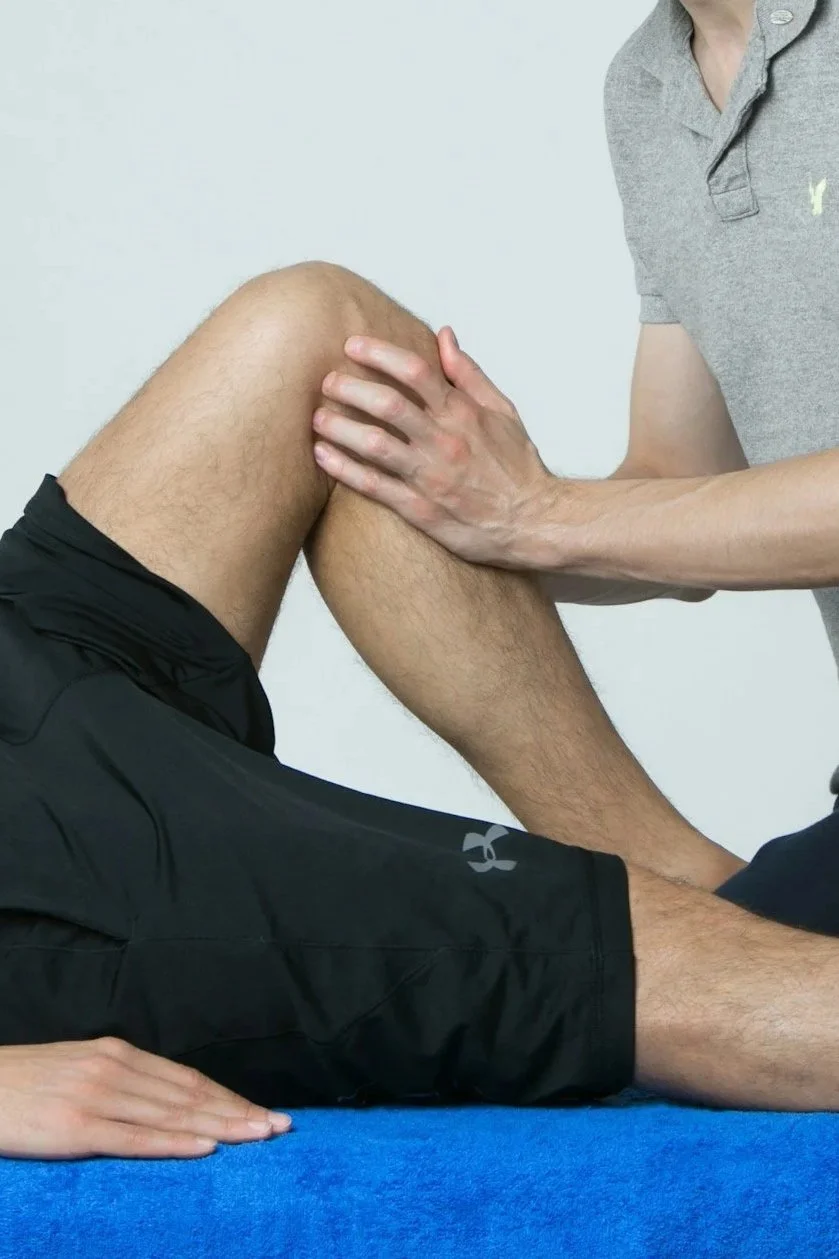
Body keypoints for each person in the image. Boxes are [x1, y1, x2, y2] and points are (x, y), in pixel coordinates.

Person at [2, 0, 839, 1163]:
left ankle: (688, 895)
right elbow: (663, 489)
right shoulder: (650, 87)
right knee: (641, 958)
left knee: (328, 347)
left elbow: (633, 504)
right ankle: (699, 921)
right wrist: (521, 513)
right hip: (40, 863)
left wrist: (524, 507)